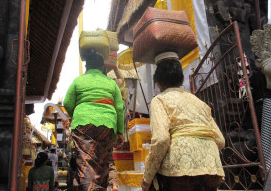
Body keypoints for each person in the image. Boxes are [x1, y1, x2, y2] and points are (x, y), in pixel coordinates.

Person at [141, 52, 225, 191]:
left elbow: (161, 139)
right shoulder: (199, 102)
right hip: (211, 169)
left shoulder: (159, 100)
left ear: (158, 82)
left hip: (178, 171)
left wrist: (146, 179)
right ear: (181, 80)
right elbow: (220, 141)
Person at [64, 50, 124, 190]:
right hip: (107, 124)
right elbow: (119, 109)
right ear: (102, 68)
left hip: (83, 125)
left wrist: (78, 115)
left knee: (86, 162)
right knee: (103, 163)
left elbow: (67, 102)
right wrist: (120, 132)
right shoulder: (111, 83)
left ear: (86, 67)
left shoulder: (78, 81)